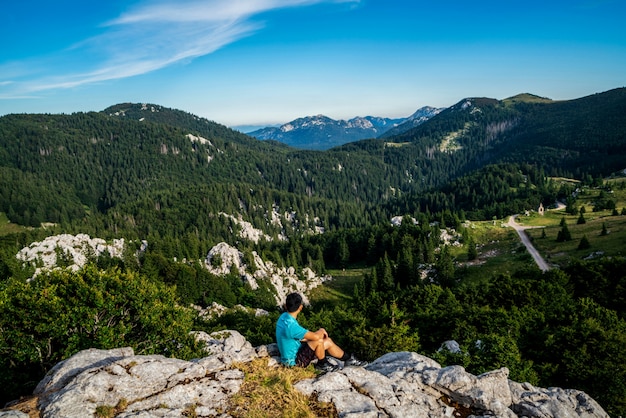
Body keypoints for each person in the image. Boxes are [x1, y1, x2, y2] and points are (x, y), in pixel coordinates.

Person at [275, 292, 367, 372]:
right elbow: (316, 337)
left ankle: (348, 359)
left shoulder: (283, 317)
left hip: (296, 351)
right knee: (318, 341)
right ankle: (322, 364)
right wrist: (321, 330)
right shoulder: (292, 327)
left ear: (286, 306)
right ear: (300, 307)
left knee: (328, 341)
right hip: (294, 362)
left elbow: (296, 336)